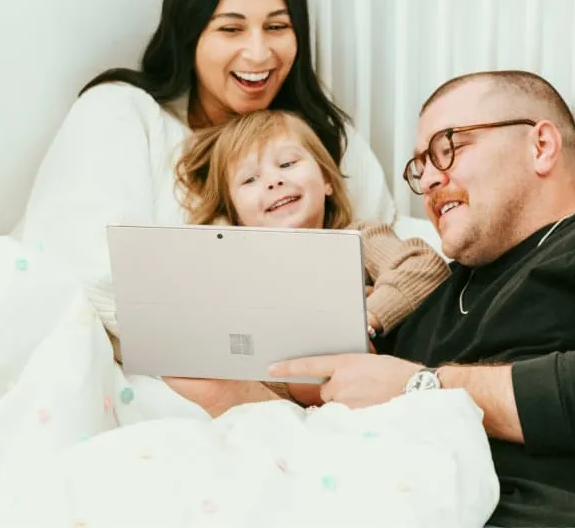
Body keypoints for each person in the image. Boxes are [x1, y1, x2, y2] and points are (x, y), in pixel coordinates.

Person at [19, 0, 395, 402]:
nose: (259, 54)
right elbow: (87, 264)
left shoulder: (326, 140)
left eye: (277, 27)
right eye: (230, 29)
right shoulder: (122, 113)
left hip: (296, 390)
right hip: (137, 377)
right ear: (189, 34)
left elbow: (384, 244)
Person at [269, 70, 575, 527]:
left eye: (448, 148)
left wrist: (422, 388)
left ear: (540, 146)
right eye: (421, 168)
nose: (431, 181)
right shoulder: (431, 301)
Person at [173, 109, 449, 404]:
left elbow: (424, 266)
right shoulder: (243, 276)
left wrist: (362, 317)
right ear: (235, 214)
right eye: (250, 179)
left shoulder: (358, 237)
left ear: (327, 181)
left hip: (376, 392)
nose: (273, 181)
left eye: (288, 163)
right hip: (287, 404)